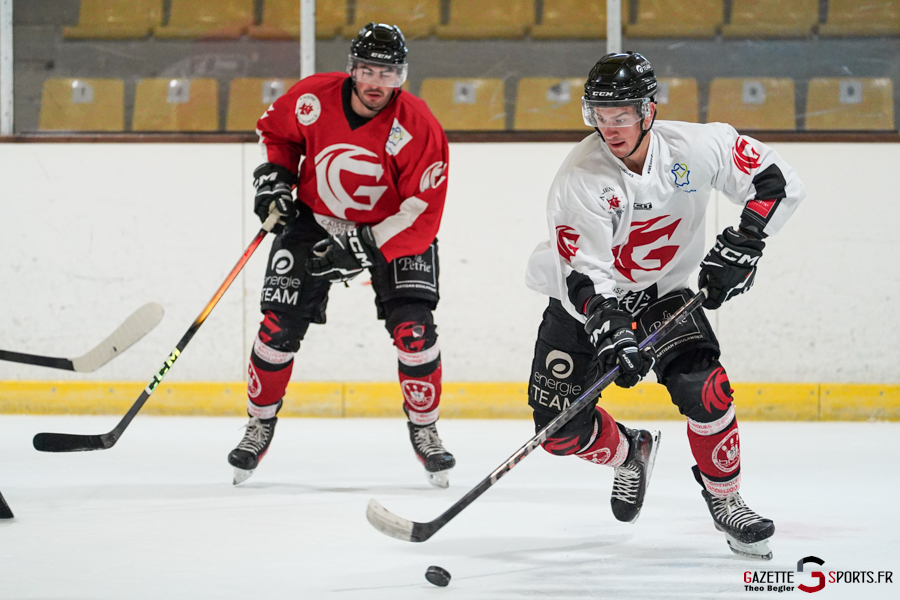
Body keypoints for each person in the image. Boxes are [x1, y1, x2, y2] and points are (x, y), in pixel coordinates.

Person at [524, 52, 805, 560]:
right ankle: (630, 453)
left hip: (665, 292)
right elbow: (582, 273)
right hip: (583, 305)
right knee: (558, 431)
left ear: (648, 110)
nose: (609, 128)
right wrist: (610, 327)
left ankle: (727, 499)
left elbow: (774, 180)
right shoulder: (581, 179)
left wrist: (746, 241)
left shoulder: (698, 148)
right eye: (599, 116)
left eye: (621, 115)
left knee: (707, 390)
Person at [228, 23, 455, 488]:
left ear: (402, 76)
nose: (376, 83)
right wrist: (275, 179)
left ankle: (425, 428)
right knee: (276, 329)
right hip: (314, 219)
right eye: (368, 70)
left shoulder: (418, 126)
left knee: (415, 332)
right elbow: (279, 135)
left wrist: (363, 247)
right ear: (352, 69)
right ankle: (258, 423)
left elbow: (422, 210)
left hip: (392, 231)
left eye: (387, 73)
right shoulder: (313, 97)